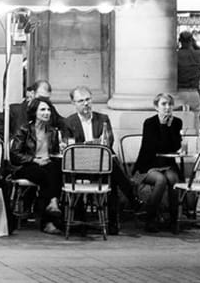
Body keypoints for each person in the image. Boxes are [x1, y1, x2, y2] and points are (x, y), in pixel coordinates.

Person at [61, 84, 135, 234]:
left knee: (111, 175)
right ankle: (133, 198)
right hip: (79, 167)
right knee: (113, 171)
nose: (86, 103)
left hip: (100, 165)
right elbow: (71, 147)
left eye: (88, 99)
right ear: (73, 103)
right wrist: (93, 145)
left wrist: (90, 145)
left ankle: (112, 223)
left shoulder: (103, 119)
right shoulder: (68, 122)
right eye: (81, 101)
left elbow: (108, 142)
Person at [8, 96, 62, 234]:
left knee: (53, 171)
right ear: (35, 112)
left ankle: (49, 215)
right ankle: (52, 206)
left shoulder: (53, 131)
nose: (47, 113)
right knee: (46, 175)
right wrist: (34, 159)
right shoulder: (24, 129)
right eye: (42, 109)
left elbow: (54, 153)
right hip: (26, 166)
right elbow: (15, 154)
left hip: (46, 165)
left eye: (48, 110)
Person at [133, 92, 184, 234]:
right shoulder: (149, 123)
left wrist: (169, 127)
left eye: (170, 104)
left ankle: (174, 221)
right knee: (160, 180)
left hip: (167, 163)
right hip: (148, 164)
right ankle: (150, 219)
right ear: (156, 107)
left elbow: (174, 146)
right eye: (163, 104)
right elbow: (153, 148)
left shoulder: (177, 122)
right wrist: (162, 126)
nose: (167, 107)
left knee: (173, 179)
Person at [176, 31, 200, 108]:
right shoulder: (199, 55)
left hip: (179, 92)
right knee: (196, 118)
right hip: (194, 92)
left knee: (180, 118)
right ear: (191, 40)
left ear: (180, 41)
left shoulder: (175, 56)